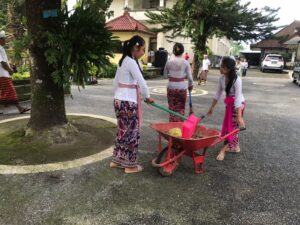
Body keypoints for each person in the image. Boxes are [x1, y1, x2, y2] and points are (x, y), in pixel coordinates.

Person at [111, 35, 154, 174]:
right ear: (135, 48)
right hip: (128, 103)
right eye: (142, 49)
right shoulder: (131, 62)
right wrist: (147, 97)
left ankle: (116, 160)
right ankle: (130, 166)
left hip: (118, 101)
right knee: (131, 134)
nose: (143, 53)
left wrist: (118, 96)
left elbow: (115, 82)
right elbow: (141, 82)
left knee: (122, 131)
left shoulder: (122, 61)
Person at [207, 56, 246, 161]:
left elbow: (238, 98)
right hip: (229, 105)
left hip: (238, 105)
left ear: (229, 69)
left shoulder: (237, 80)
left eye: (223, 67)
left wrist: (239, 116)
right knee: (230, 126)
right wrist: (211, 108)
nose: (220, 69)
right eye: (221, 66)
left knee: (231, 128)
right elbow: (217, 94)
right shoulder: (222, 79)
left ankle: (223, 150)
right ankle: (235, 146)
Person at [0, 30, 30, 114]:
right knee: (10, 91)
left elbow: (4, 61)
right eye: (4, 39)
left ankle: (20, 108)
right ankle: (20, 108)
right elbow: (2, 62)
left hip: (3, 74)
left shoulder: (1, 48)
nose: (5, 40)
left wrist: (11, 68)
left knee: (5, 93)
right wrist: (9, 70)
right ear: (0, 39)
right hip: (3, 74)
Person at [164, 43, 193, 122]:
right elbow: (190, 78)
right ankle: (179, 127)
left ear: (173, 51)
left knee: (172, 109)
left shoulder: (168, 62)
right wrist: (190, 86)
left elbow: (165, 76)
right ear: (183, 52)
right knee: (180, 109)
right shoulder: (186, 63)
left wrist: (172, 76)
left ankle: (172, 127)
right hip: (181, 88)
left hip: (171, 87)